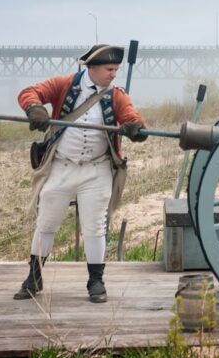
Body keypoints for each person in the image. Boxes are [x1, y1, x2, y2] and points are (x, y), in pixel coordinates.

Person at [15, 44, 147, 303]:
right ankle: (34, 278)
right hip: (62, 166)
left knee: (95, 227)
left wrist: (135, 127)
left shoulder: (115, 95)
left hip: (96, 170)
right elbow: (29, 93)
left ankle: (96, 282)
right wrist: (35, 109)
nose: (113, 74)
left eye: (116, 69)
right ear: (93, 68)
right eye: (110, 69)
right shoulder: (64, 84)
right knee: (46, 222)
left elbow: (132, 116)